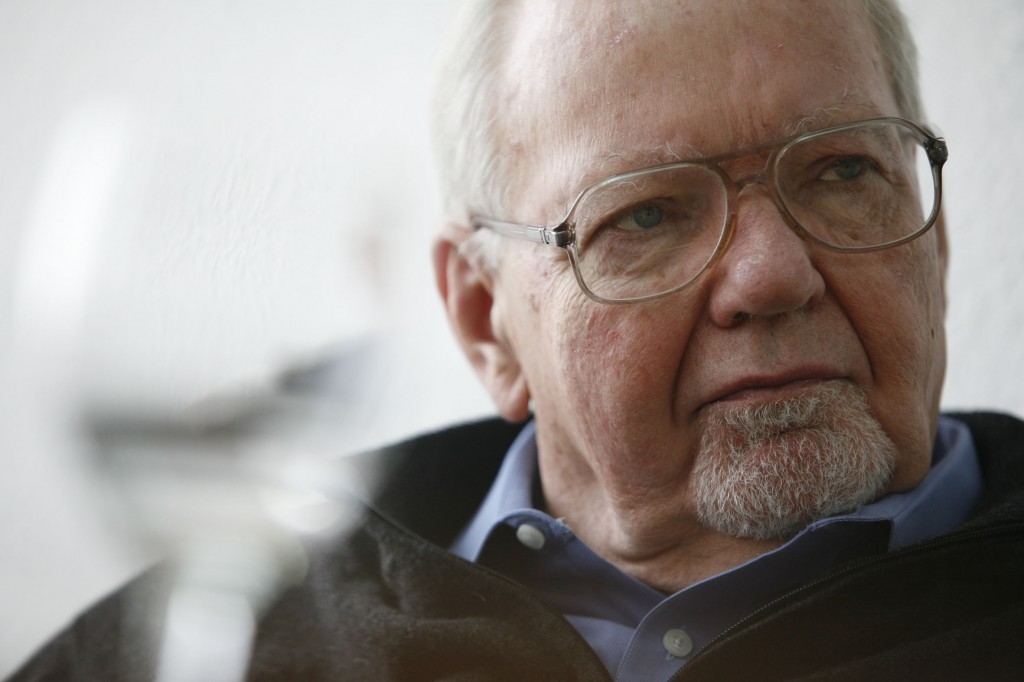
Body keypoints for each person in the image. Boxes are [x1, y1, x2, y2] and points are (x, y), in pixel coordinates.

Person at [9, 0, 1024, 680]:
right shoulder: (211, 637)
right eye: (645, 214)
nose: (771, 274)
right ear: (483, 320)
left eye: (843, 171)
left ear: (934, 235)